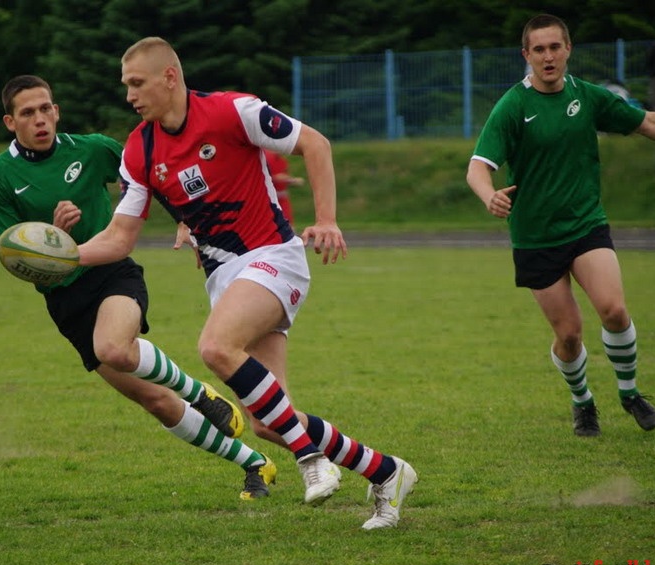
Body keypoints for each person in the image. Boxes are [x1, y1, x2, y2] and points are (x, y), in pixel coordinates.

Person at [74, 37, 418, 530]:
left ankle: (310, 461)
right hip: (227, 279)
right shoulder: (140, 149)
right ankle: (387, 472)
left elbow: (314, 143)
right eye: (126, 85)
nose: (129, 95)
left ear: (169, 77)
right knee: (268, 420)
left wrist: (327, 219)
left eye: (137, 83)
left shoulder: (235, 111)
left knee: (215, 345)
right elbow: (119, 238)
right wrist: (64, 258)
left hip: (274, 257)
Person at [0, 75, 277, 501]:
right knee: (155, 401)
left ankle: (202, 394)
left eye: (46, 108)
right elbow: (13, 257)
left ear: (57, 111)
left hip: (113, 272)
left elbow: (157, 174)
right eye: (28, 113)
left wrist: (184, 218)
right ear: (11, 121)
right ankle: (254, 464)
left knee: (115, 348)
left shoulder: (93, 148)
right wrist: (52, 238)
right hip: (64, 299)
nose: (40, 119)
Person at [466, 14, 655, 436]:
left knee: (613, 309)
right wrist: (490, 195)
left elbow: (649, 122)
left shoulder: (588, 97)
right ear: (527, 56)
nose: (548, 56)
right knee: (570, 336)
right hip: (535, 237)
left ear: (568, 49)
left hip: (586, 224)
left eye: (555, 47)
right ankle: (583, 402)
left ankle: (629, 394)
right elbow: (478, 167)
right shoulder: (513, 106)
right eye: (538, 49)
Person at [264, 149, 304, 227]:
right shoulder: (268, 157)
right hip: (269, 196)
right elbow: (270, 176)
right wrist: (290, 180)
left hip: (281, 196)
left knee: (287, 220)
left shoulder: (282, 161)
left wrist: (289, 181)